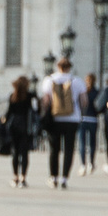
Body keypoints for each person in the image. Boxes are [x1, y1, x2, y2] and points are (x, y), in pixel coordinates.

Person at [39, 54, 83, 188]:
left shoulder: (49, 80)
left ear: (58, 67)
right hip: (72, 119)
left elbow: (46, 100)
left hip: (55, 119)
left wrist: (44, 113)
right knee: (69, 149)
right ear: (70, 67)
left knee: (54, 149)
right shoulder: (77, 81)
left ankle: (54, 178)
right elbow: (84, 101)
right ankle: (64, 178)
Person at [0, 77, 38, 187]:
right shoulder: (30, 96)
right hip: (25, 127)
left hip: (14, 126)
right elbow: (36, 110)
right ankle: (23, 178)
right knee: (24, 153)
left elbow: (9, 112)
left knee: (15, 152)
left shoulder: (13, 96)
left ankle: (15, 177)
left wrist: (3, 120)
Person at [76, 73, 102, 174]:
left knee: (82, 144)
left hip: (82, 119)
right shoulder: (97, 92)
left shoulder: (83, 92)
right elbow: (105, 103)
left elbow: (77, 103)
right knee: (92, 143)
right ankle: (91, 163)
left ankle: (83, 165)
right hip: (93, 120)